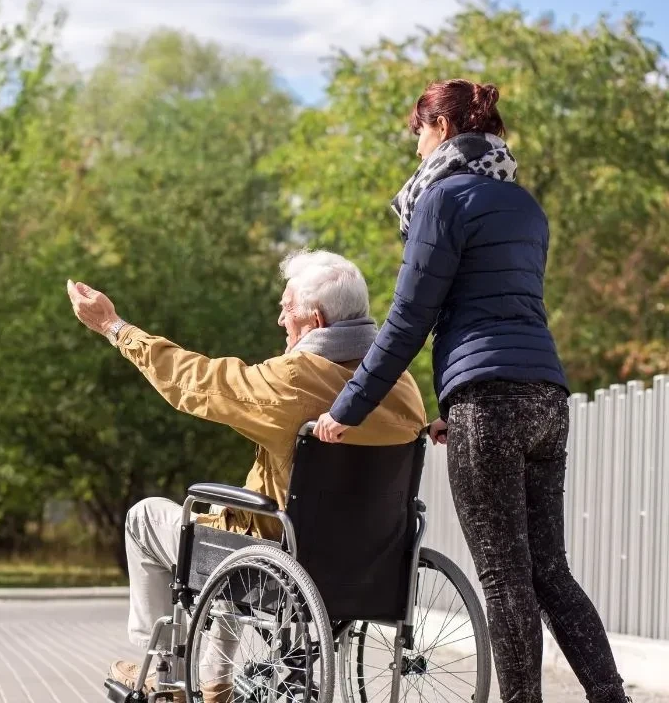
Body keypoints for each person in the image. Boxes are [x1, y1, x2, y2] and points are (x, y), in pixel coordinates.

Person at [311, 79, 629, 703]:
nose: (416, 148)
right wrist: (456, 404)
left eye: (419, 132)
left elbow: (410, 319)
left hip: (489, 401)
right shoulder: (524, 205)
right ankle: (610, 696)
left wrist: (347, 409)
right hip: (545, 396)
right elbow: (500, 309)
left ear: (442, 129)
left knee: (505, 576)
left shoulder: (442, 201)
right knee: (548, 570)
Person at [66, 250, 427, 701]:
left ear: (313, 319)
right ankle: (215, 679)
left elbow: (195, 381)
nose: (280, 320)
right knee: (239, 518)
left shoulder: (292, 380)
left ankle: (165, 670)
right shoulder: (403, 385)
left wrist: (114, 328)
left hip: (285, 563)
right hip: (372, 566)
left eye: (286, 307)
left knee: (150, 518)